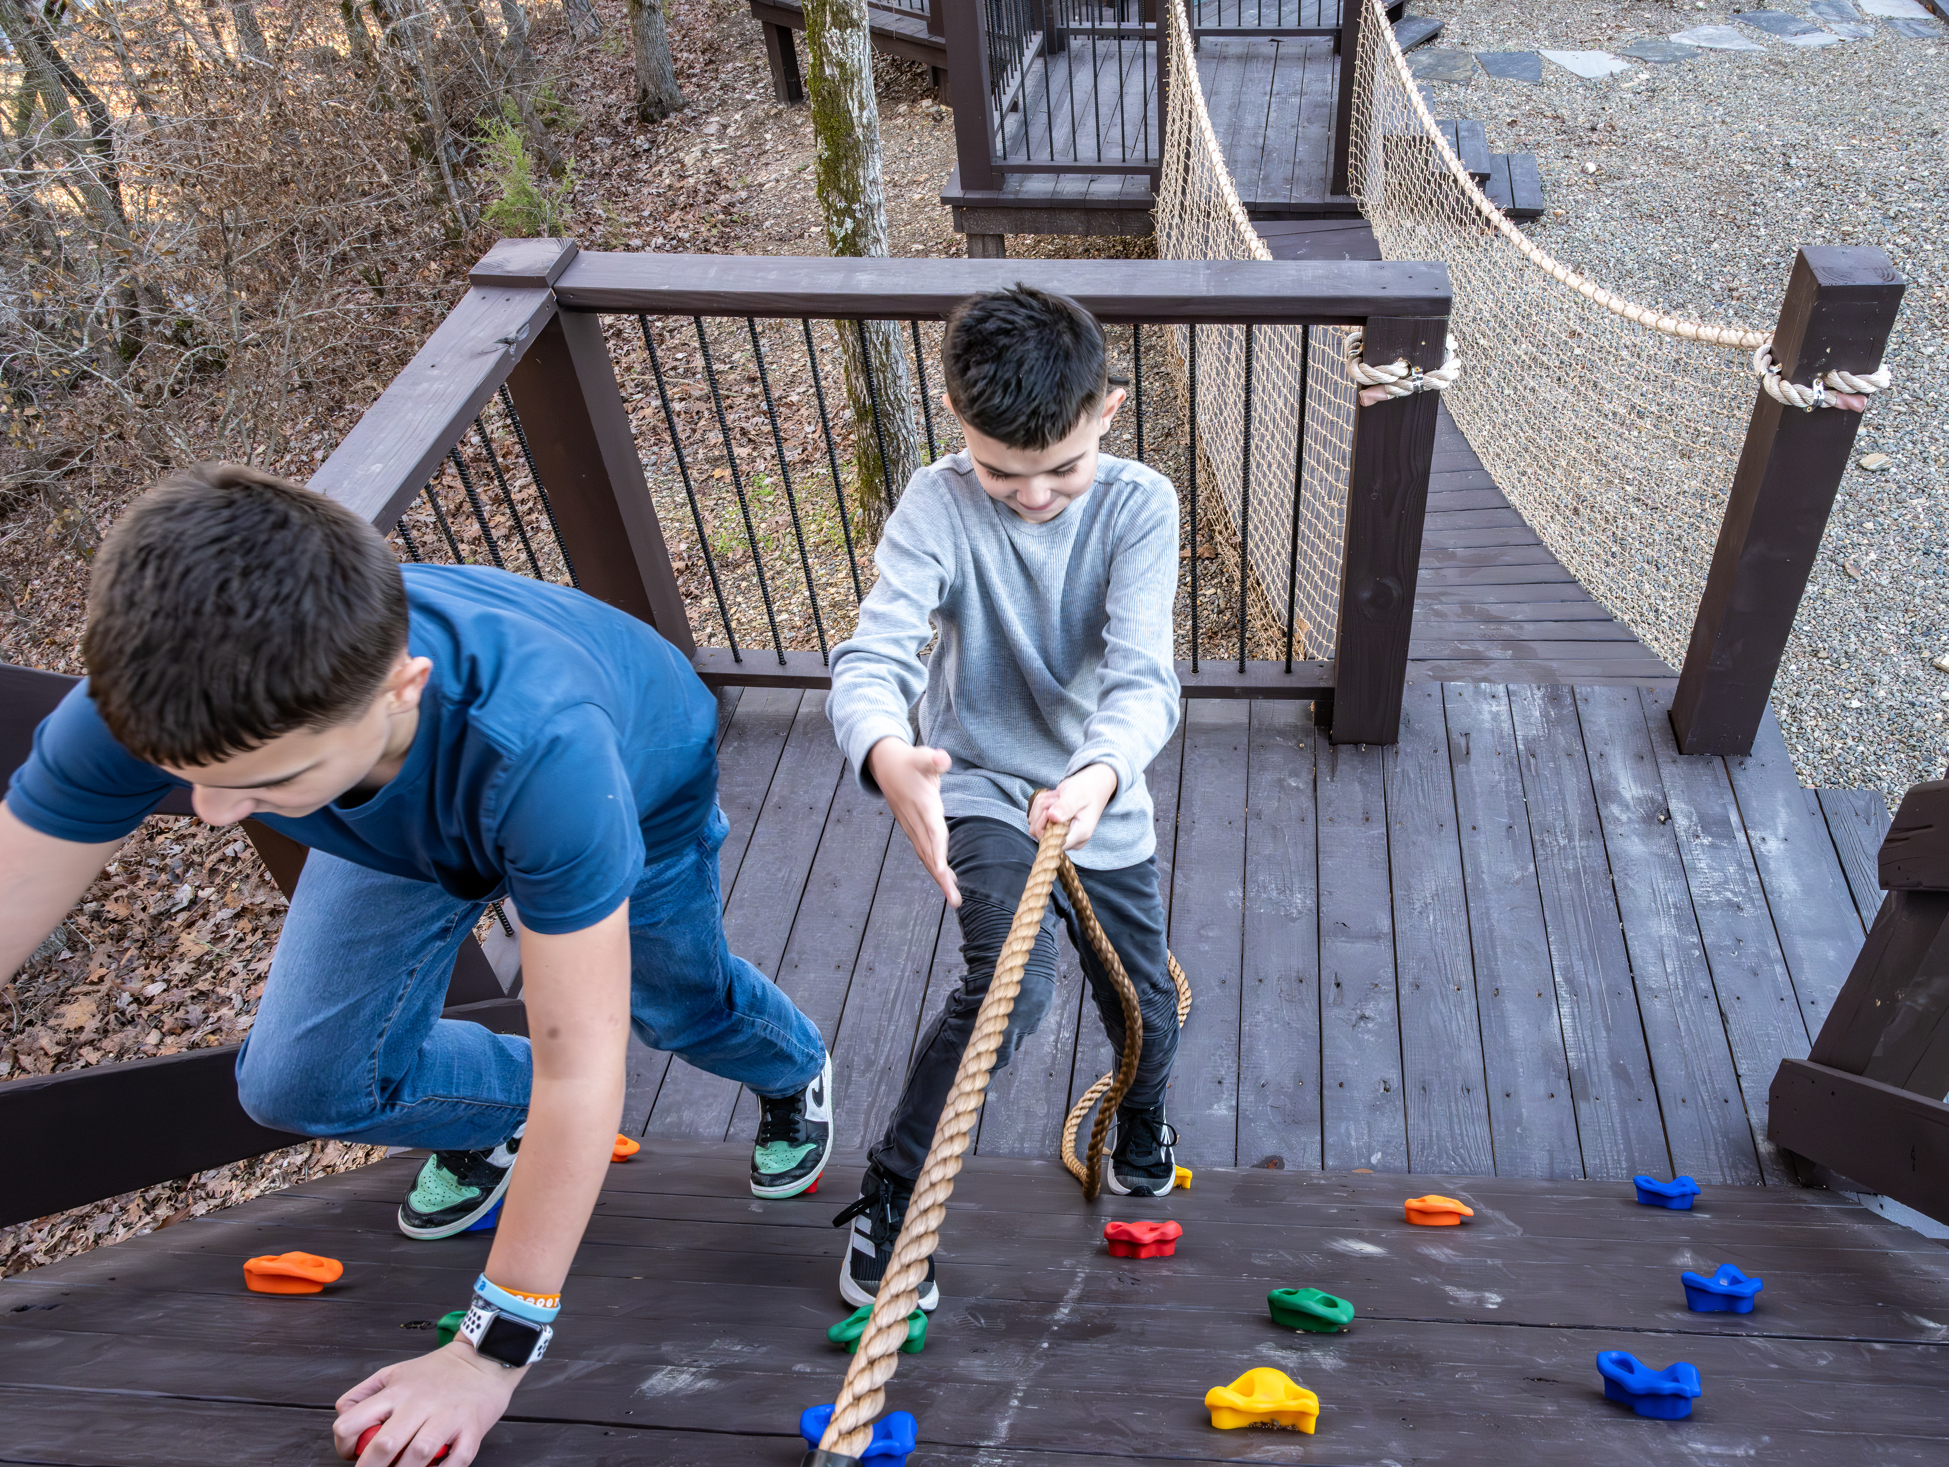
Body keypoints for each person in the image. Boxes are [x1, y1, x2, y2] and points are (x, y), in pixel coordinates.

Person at [0, 466, 834, 1466]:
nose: (210, 815)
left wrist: (490, 1353)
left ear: (401, 688)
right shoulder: (155, 705)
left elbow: (586, 1066)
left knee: (672, 1007)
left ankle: (792, 1069)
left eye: (260, 782)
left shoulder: (545, 751)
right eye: (188, 784)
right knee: (298, 1080)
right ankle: (492, 1117)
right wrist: (277, 780)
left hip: (622, 789)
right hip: (394, 821)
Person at [827, 284, 1183, 1313]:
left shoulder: (1137, 507)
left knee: (1145, 1009)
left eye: (1060, 468)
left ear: (1106, 411)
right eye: (1001, 472)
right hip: (980, 786)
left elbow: (1142, 679)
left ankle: (1140, 1119)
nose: (1032, 496)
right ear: (960, 428)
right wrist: (887, 750)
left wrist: (1099, 773)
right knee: (1008, 993)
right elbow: (875, 655)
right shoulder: (935, 505)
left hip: (1097, 797)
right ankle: (894, 1201)